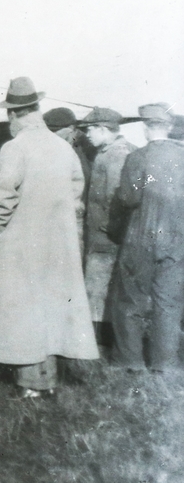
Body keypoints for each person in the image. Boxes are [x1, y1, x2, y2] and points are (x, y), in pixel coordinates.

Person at [0, 78, 99, 398]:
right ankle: (49, 379)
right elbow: (76, 193)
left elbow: (3, 199)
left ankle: (32, 385)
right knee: (50, 307)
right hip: (58, 244)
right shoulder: (63, 147)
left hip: (20, 244)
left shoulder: (15, 148)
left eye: (9, 118)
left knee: (21, 309)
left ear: (14, 115)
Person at [107, 103, 184, 372]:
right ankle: (166, 363)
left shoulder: (138, 158)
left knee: (130, 298)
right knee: (169, 302)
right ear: (170, 126)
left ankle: (129, 360)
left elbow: (129, 197)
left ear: (146, 127)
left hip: (141, 237)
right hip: (176, 239)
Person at [76, 108, 135, 344]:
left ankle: (100, 338)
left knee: (98, 285)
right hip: (106, 232)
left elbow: (117, 197)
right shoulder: (112, 152)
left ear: (103, 129)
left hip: (107, 234)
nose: (87, 135)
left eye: (90, 130)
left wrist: (109, 230)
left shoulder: (116, 155)